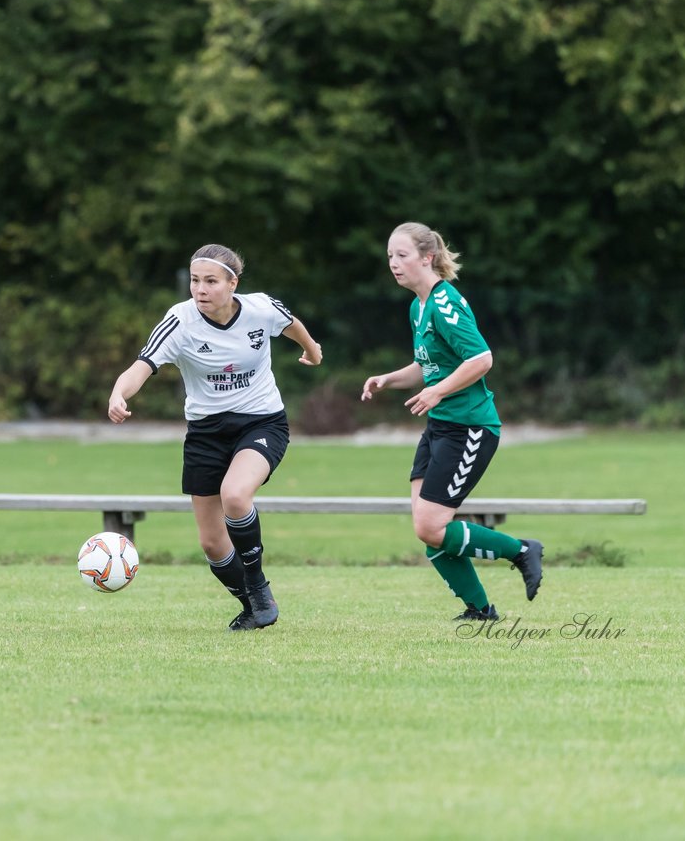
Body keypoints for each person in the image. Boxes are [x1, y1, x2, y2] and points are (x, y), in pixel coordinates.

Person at [108, 244, 323, 631]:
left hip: (262, 422)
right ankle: (252, 605)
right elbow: (141, 365)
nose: (200, 289)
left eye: (210, 281)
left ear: (232, 284)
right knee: (211, 543)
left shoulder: (260, 309)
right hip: (206, 433)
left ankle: (258, 585)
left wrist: (311, 350)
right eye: (194, 280)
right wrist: (119, 393)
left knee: (236, 496)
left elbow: (292, 323)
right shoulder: (180, 320)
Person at [361, 222, 543, 622]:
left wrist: (438, 391)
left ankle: (522, 551)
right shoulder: (418, 306)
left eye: (402, 255)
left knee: (431, 525)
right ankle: (480, 609)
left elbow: (481, 359)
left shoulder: (446, 303)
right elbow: (429, 366)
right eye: (390, 256)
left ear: (427, 257)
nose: (393, 263)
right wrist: (390, 379)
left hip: (470, 428)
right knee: (427, 528)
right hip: (440, 427)